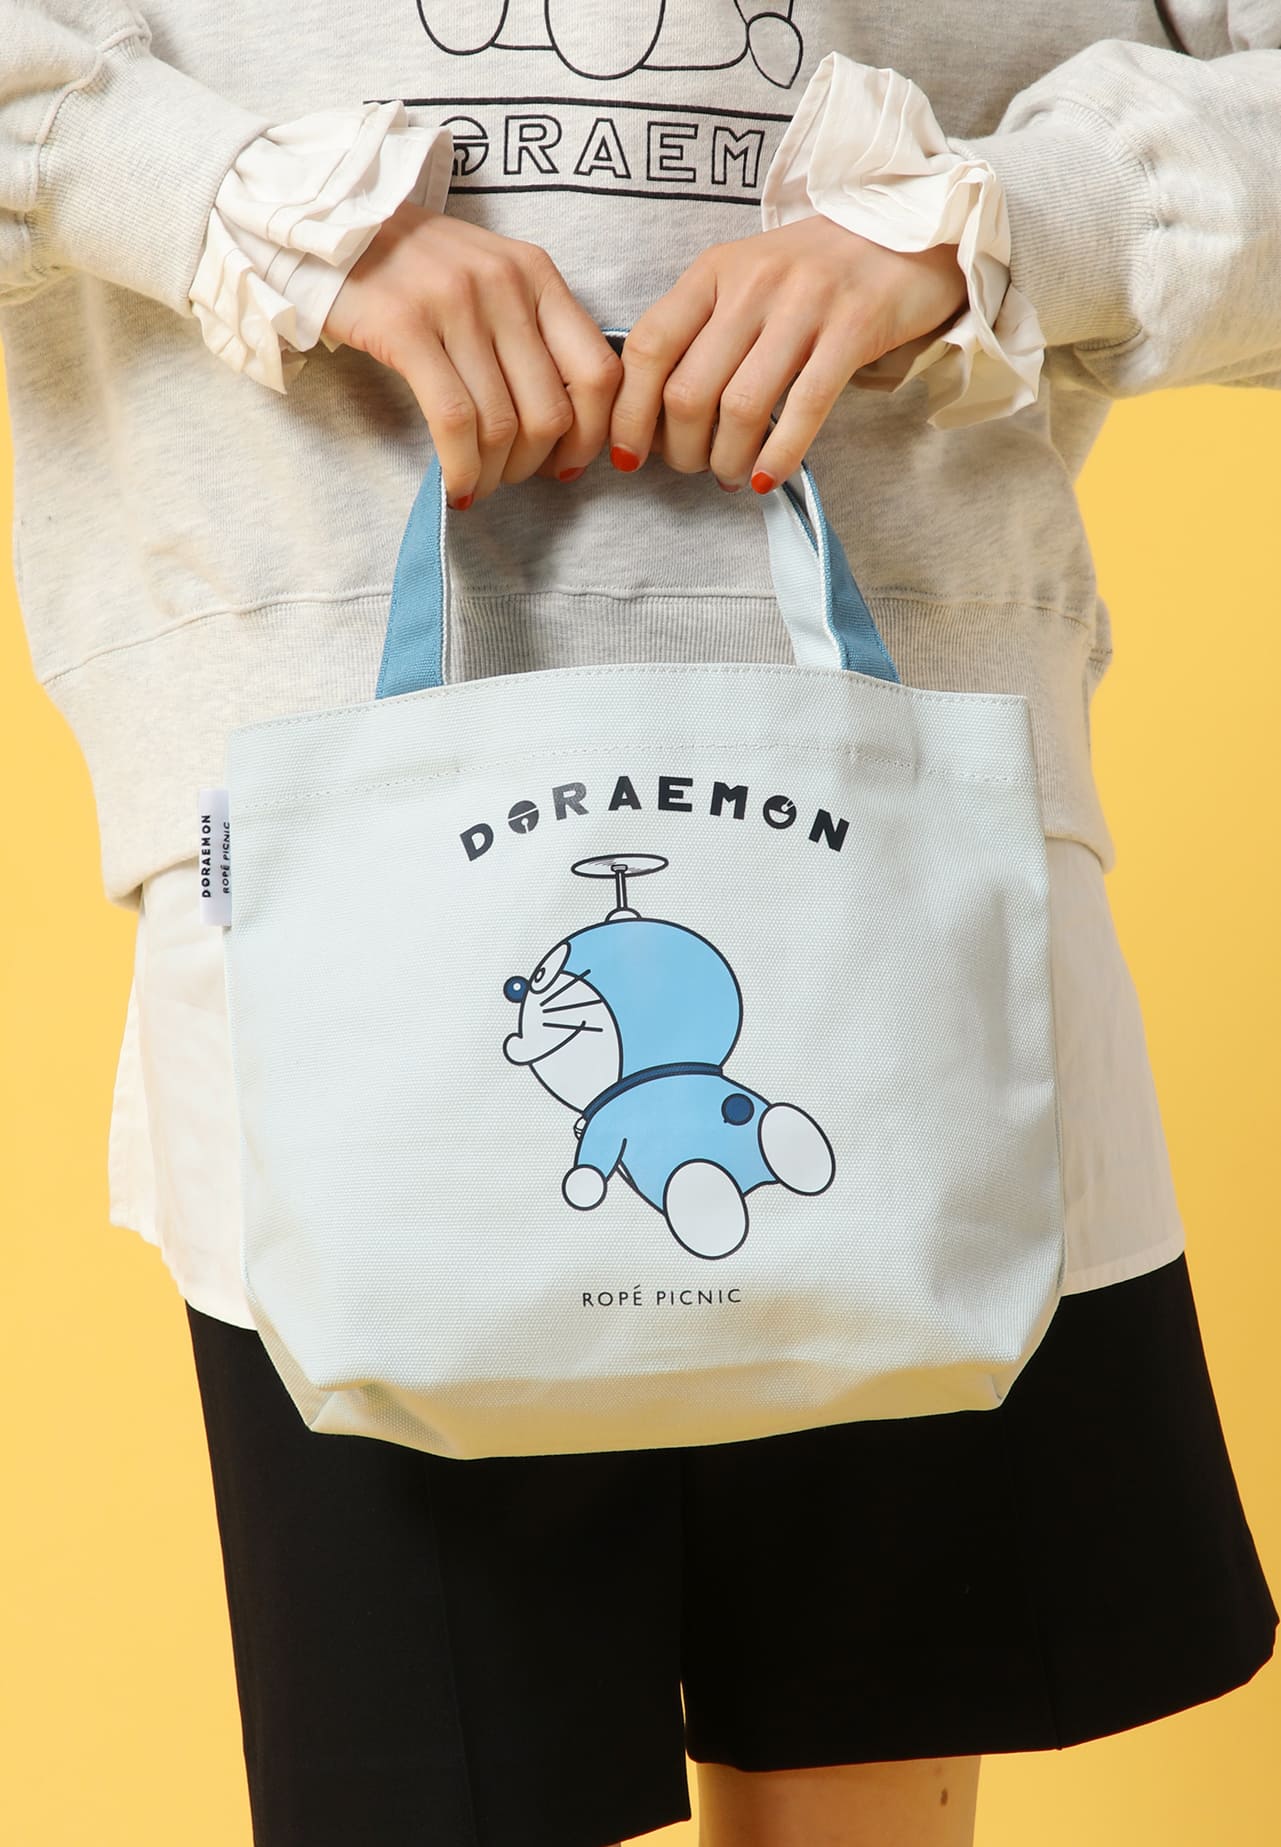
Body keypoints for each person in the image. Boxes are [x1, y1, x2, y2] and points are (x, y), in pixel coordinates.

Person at [2, 4, 1277, 1843]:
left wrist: (985, 225)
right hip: (325, 831)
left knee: (867, 1759)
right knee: (437, 1781)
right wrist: (224, 199)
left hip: (917, 846)